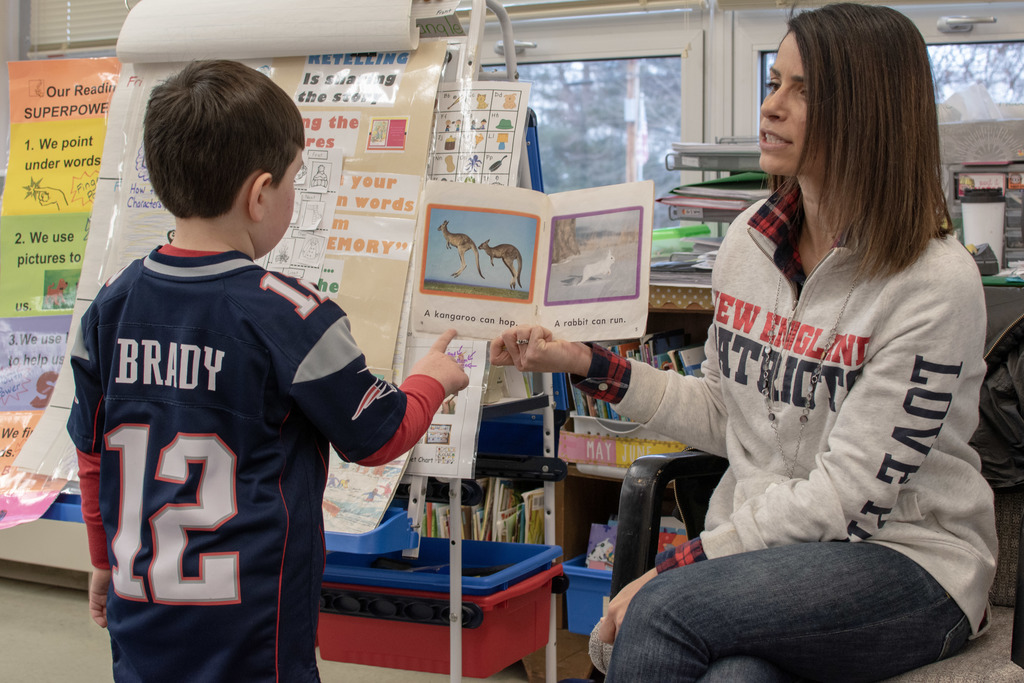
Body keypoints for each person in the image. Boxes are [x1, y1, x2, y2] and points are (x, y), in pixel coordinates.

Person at [491, 4, 997, 681]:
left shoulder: (935, 283)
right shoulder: (749, 241)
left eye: (803, 89)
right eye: (774, 82)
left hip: (909, 561)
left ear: (869, 110)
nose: (772, 107)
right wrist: (585, 363)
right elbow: (729, 413)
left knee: (663, 612)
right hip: (775, 556)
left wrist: (684, 568)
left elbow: (845, 494)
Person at [66, 60, 469, 683]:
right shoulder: (289, 314)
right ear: (259, 194)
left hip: (141, 615)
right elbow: (379, 434)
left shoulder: (110, 305)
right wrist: (433, 378)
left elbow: (92, 455)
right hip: (253, 632)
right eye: (294, 182)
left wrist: (101, 559)